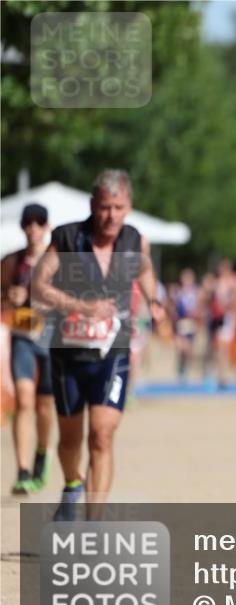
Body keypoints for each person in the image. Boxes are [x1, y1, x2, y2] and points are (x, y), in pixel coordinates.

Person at [32, 169, 164, 520]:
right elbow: (39, 285)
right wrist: (80, 306)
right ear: (93, 205)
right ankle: (72, 484)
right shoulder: (67, 237)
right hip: (69, 352)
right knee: (71, 440)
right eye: (105, 207)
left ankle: (93, 524)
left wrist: (154, 300)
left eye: (118, 207)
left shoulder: (135, 241)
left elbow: (145, 270)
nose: (111, 216)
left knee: (102, 436)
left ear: (129, 207)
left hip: (113, 351)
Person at [1, 203, 55, 494]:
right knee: (23, 399)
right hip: (22, 335)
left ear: (47, 227)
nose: (33, 228)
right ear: (23, 227)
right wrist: (8, 297)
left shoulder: (57, 260)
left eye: (39, 222)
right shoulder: (11, 261)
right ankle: (22, 471)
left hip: (50, 338)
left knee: (44, 406)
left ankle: (41, 453)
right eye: (28, 223)